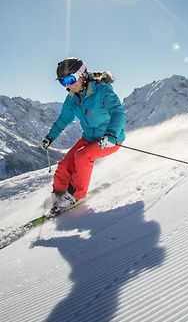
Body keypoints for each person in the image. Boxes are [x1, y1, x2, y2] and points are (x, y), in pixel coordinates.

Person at [42, 57, 126, 211]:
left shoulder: (102, 90)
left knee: (82, 157)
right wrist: (50, 137)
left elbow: (118, 112)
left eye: (70, 79)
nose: (68, 85)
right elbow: (63, 120)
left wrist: (112, 135)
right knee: (64, 165)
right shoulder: (72, 98)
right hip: (88, 138)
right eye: (63, 82)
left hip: (110, 138)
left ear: (82, 75)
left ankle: (76, 195)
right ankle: (59, 194)